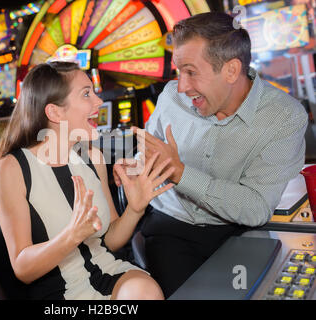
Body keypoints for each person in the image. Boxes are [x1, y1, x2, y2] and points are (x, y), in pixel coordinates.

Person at [114, 12, 308, 298]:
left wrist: (180, 173)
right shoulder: (170, 96)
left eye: (191, 72)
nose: (181, 86)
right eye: (178, 71)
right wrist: (135, 169)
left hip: (240, 232)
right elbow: (150, 161)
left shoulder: (284, 117)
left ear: (231, 70)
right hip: (170, 229)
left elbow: (255, 208)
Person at [0, 61, 175, 300]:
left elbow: (110, 241)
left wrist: (135, 209)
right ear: (55, 112)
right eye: (86, 94)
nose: (99, 101)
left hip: (109, 270)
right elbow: (23, 269)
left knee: (145, 291)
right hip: (58, 293)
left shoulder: (93, 157)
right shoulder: (11, 169)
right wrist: (72, 235)